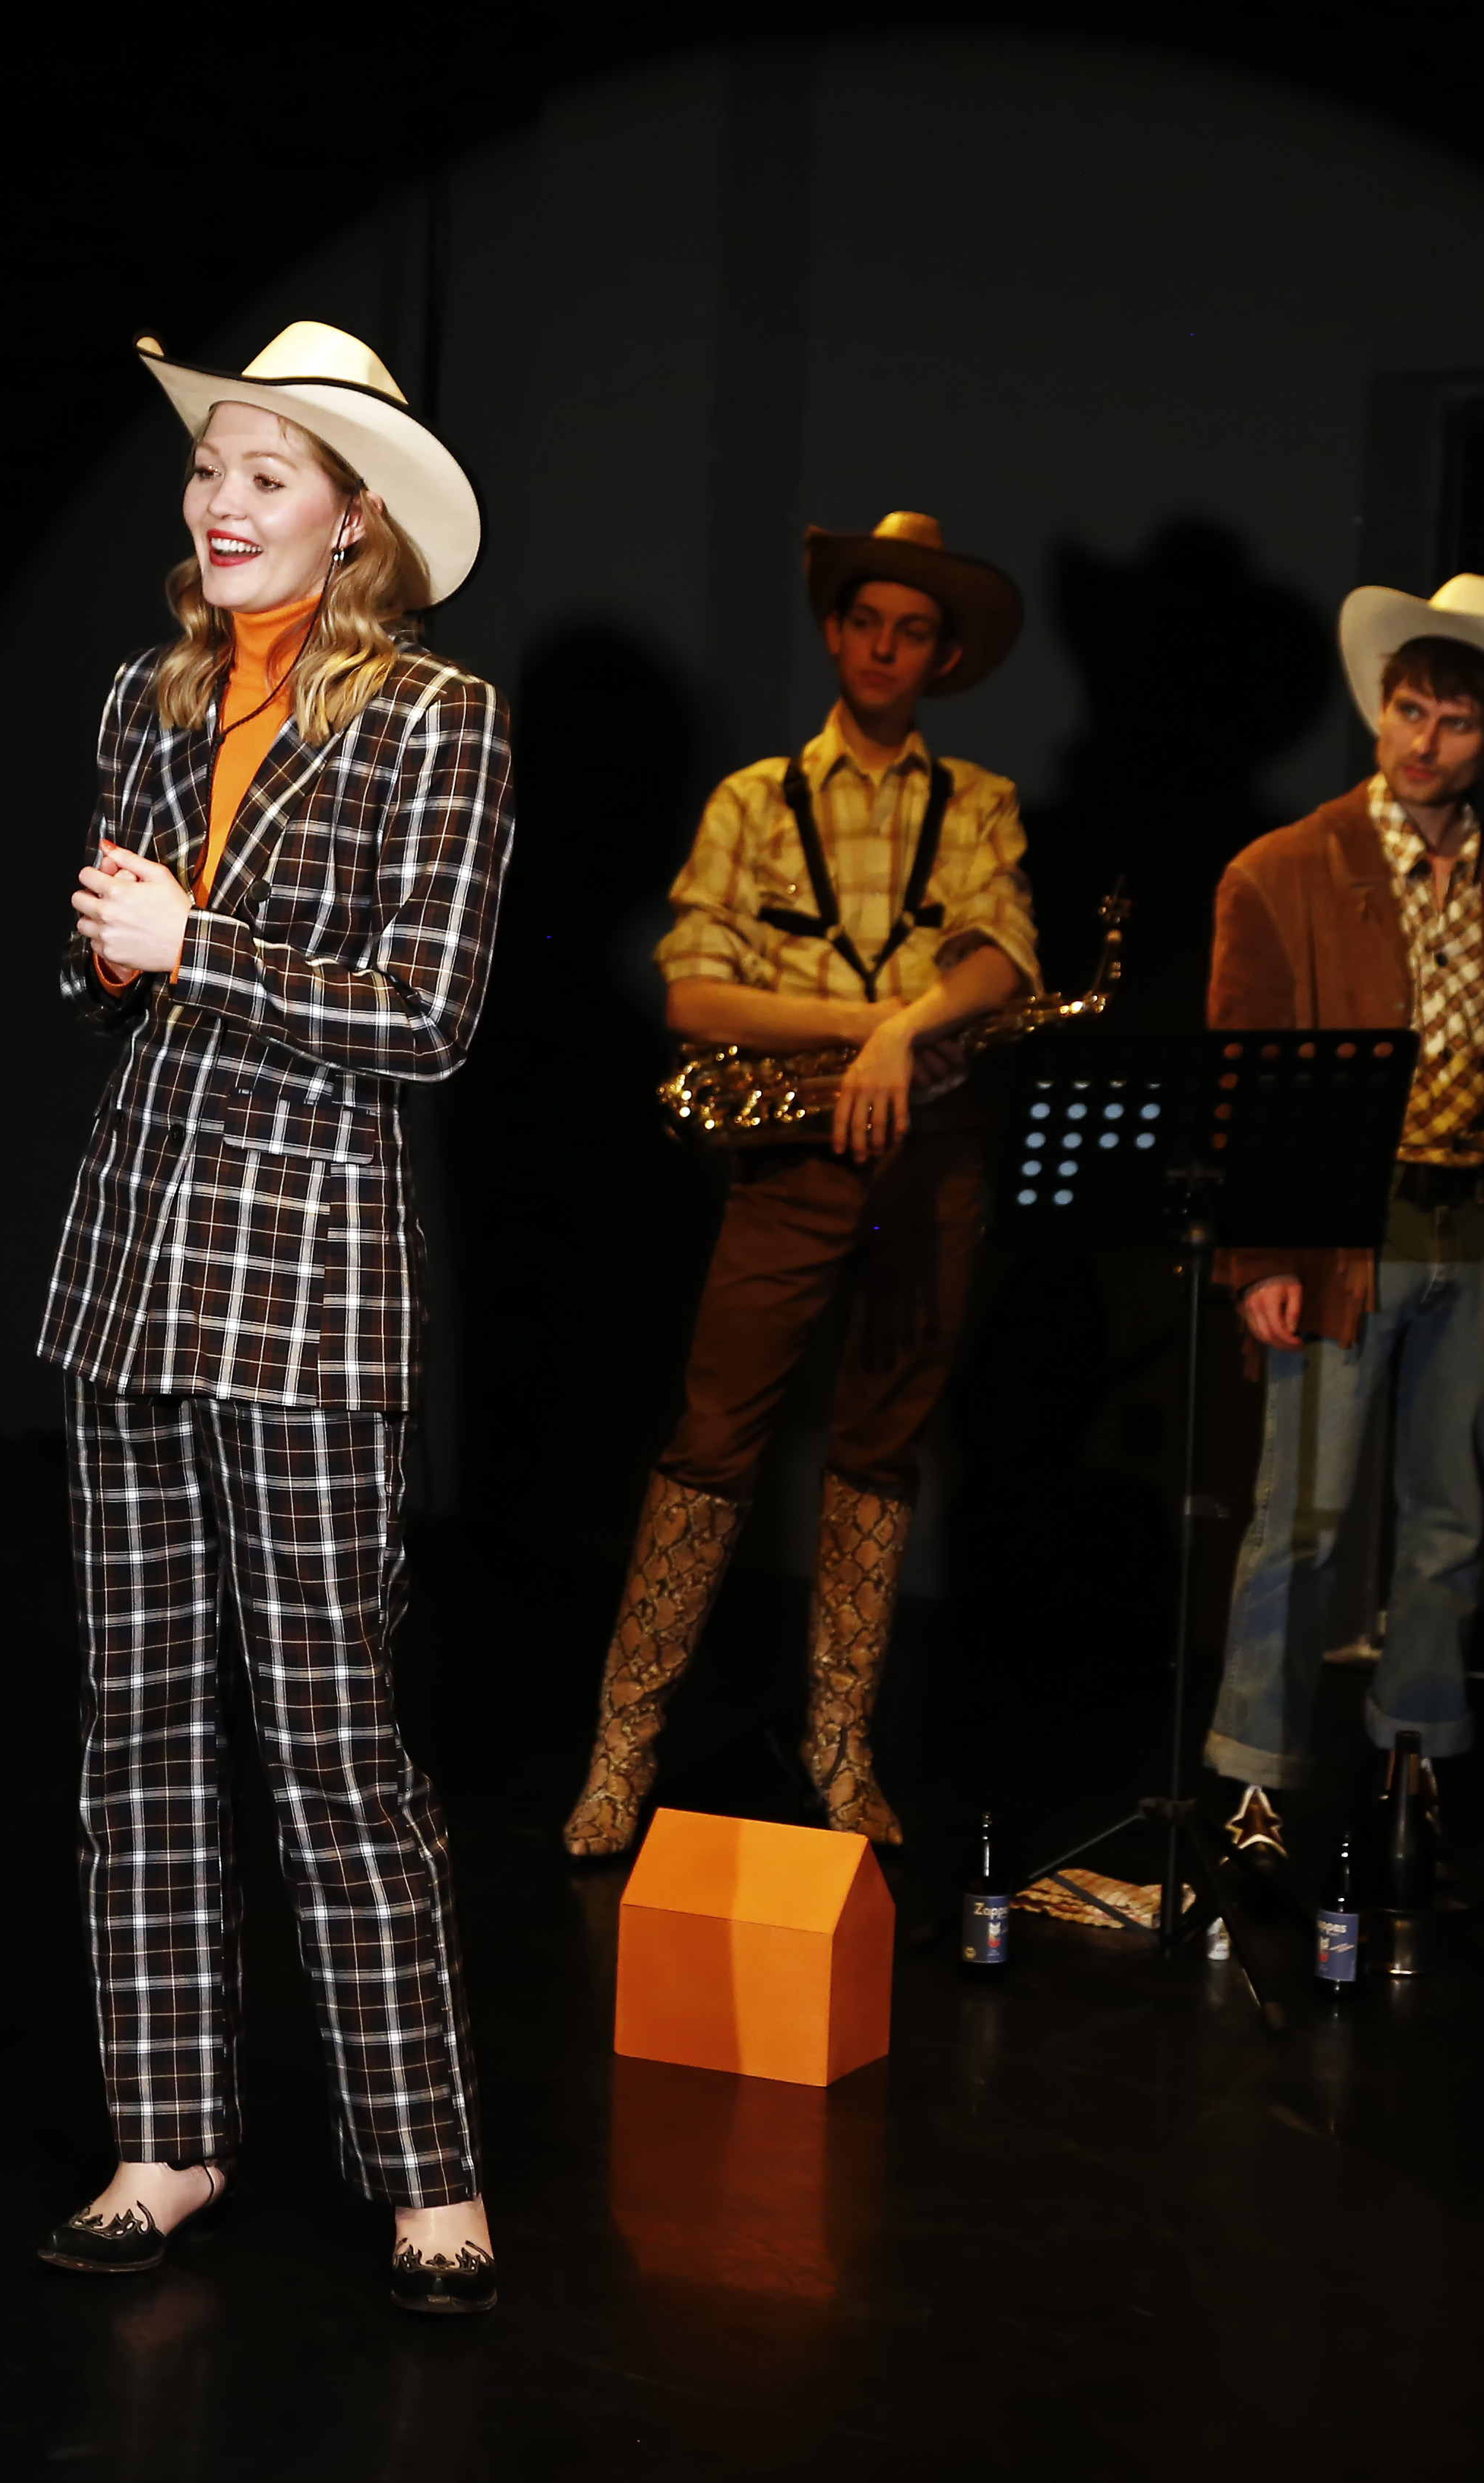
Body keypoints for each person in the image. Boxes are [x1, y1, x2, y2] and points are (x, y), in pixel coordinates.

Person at [45, 323, 516, 2316]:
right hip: (131, 1269)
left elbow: (430, 1017)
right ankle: (169, 2138)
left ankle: (426, 2171)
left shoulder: (439, 720)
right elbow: (109, 978)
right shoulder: (144, 699)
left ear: (356, 519)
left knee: (333, 1733)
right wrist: (114, 957)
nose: (222, 504)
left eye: (267, 475)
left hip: (309, 1288)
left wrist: (196, 942)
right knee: (140, 1729)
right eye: (208, 469)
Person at [561, 515, 1043, 1858]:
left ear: (945, 658)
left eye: (914, 631)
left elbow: (1004, 958)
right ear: (834, 632)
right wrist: (867, 1029)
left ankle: (841, 1748)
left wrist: (907, 1032)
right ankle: (623, 1747)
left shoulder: (980, 801)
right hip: (789, 1162)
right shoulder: (755, 800)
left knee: (882, 1449)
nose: (885, 647)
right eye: (867, 621)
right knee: (714, 1439)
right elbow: (692, 992)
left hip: (931, 1164)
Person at [1199, 575, 1484, 1863]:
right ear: (1381, 707)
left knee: (1448, 1518)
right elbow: (1246, 1086)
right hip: (1344, 1231)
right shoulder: (1284, 871)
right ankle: (1256, 1773)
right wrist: (1263, 1255)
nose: (1426, 741)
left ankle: (1412, 1757)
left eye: (1457, 721)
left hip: (1473, 1226)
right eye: (1411, 709)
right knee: (1302, 1514)